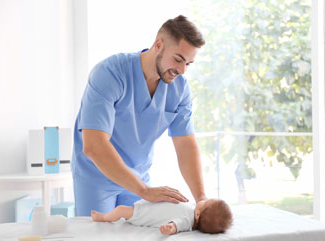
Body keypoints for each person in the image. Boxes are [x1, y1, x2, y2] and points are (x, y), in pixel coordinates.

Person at [71, 15, 207, 216]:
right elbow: (94, 146)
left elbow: (186, 145)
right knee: (97, 235)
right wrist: (145, 191)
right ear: (158, 44)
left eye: (189, 63)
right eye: (178, 59)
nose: (182, 70)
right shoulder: (110, 73)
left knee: (140, 234)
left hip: (138, 177)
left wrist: (201, 199)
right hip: (96, 177)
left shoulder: (180, 89)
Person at [91, 199, 233, 235]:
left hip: (144, 215)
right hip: (149, 207)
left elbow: (177, 224)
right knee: (122, 209)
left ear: (198, 214)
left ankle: (103, 218)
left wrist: (170, 228)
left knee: (121, 210)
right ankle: (105, 217)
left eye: (206, 202)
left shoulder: (187, 220)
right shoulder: (191, 211)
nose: (203, 200)